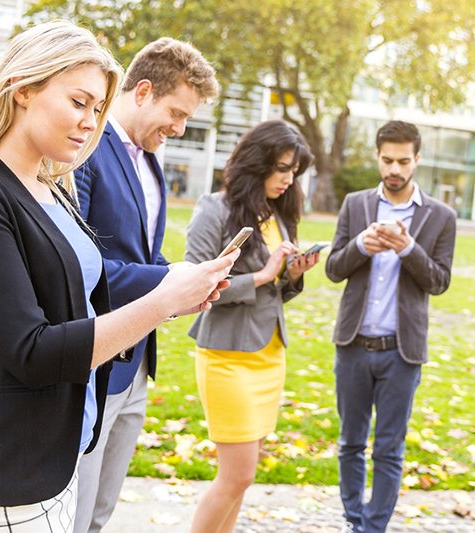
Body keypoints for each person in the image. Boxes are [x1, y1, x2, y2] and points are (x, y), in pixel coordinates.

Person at [0, 21, 235, 532]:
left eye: (97, 108)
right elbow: (33, 352)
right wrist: (161, 301)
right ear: (22, 88)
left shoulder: (53, 187)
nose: (91, 121)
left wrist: (182, 289)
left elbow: (85, 297)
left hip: (62, 459)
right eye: (78, 102)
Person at [72, 37, 219, 533]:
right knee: (74, 511)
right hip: (93, 364)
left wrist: (189, 284)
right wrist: (169, 280)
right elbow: (79, 265)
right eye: (175, 113)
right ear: (142, 91)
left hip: (137, 365)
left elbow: (141, 257)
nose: (179, 129)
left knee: (100, 513)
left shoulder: (151, 164)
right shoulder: (87, 151)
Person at [184, 119, 318, 533]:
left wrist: (293, 274)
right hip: (227, 357)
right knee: (236, 476)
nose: (288, 178)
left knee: (243, 480)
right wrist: (262, 274)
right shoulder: (215, 208)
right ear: (256, 163)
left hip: (269, 355)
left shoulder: (276, 211)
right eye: (281, 168)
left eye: (293, 171)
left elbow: (277, 290)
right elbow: (191, 288)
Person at [326, 120, 457, 533]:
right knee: (350, 443)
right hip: (352, 345)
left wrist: (408, 249)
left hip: (402, 352)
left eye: (403, 161)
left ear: (417, 159)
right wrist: (361, 246)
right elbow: (332, 269)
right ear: (377, 158)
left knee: (388, 448)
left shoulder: (441, 216)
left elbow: (439, 282)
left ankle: (373, 526)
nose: (394, 169)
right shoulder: (356, 204)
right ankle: (353, 519)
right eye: (387, 160)